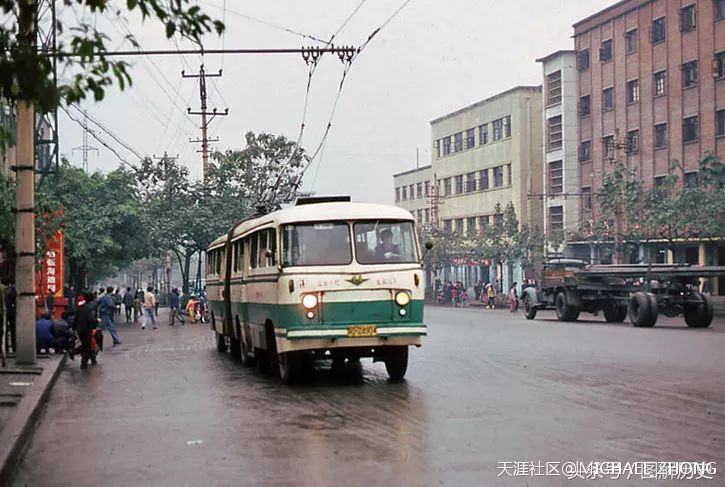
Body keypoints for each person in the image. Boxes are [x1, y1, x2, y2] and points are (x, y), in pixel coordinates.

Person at [74, 292, 98, 369]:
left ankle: (90, 360)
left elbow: (76, 318)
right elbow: (90, 319)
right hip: (87, 329)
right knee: (87, 347)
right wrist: (96, 320)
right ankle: (83, 363)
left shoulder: (80, 307)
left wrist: (74, 327)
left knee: (86, 345)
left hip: (80, 329)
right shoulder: (89, 308)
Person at [4, 283, 16, 353]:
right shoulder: (14, 289)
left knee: (4, 331)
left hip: (4, 312)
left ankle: (6, 349)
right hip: (12, 312)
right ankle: (14, 348)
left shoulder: (4, 289)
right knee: (13, 330)